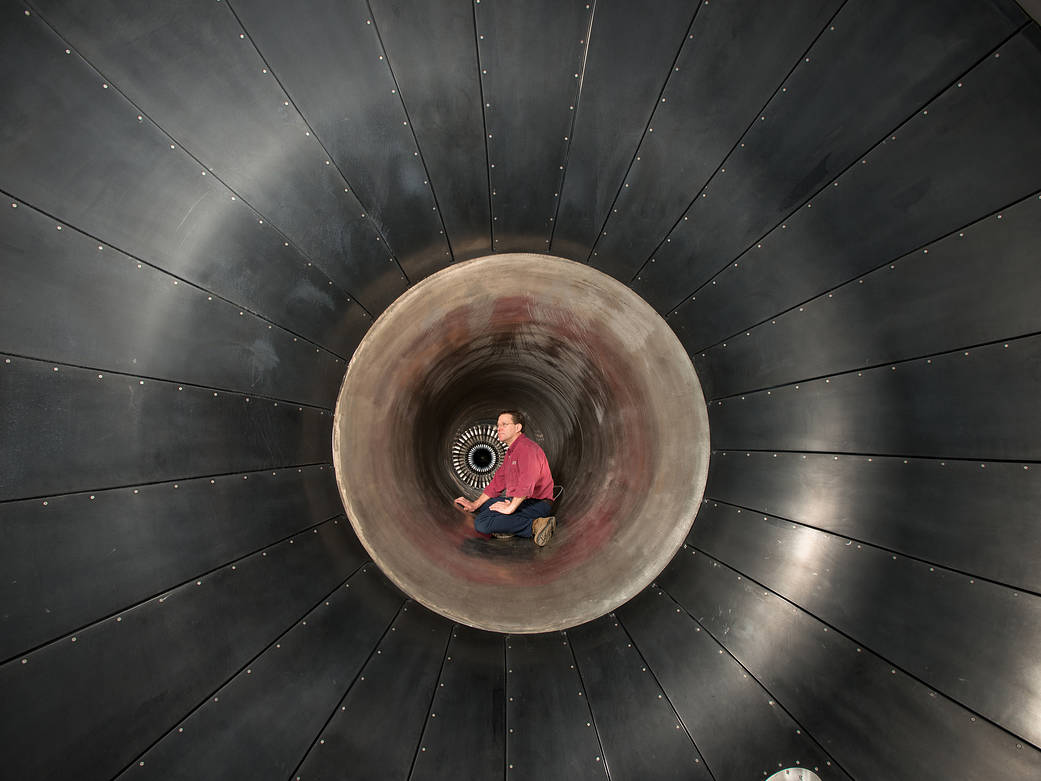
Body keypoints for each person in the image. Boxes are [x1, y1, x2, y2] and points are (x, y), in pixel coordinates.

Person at [454, 410, 556, 546]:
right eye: (498, 425)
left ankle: (535, 525)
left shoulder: (527, 448)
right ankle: (508, 524)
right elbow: (497, 482)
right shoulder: (512, 452)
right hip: (523, 501)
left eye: (504, 424)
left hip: (537, 504)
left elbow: (527, 482)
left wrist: (511, 507)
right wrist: (475, 504)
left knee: (482, 523)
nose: (499, 428)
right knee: (484, 506)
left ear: (517, 428)